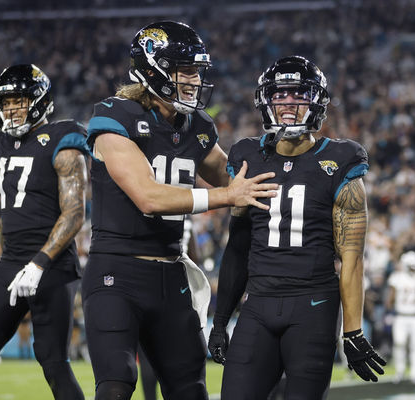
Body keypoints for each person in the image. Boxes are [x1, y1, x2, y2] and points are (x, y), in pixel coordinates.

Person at [82, 21, 277, 400]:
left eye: (196, 72)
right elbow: (149, 197)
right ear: (153, 69)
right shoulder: (114, 118)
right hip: (117, 273)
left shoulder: (195, 127)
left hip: (172, 276)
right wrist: (227, 196)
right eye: (184, 70)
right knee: (117, 384)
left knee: (191, 389)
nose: (193, 80)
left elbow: (234, 178)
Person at [207, 55, 385, 400]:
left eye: (298, 95)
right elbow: (238, 246)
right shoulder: (247, 155)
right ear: (266, 100)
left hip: (313, 305)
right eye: (280, 95)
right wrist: (220, 320)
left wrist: (353, 332)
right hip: (258, 303)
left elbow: (352, 258)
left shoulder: (340, 161)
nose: (288, 103)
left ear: (315, 101)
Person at [0, 64, 88, 400]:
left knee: (53, 362)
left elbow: (74, 213)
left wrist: (40, 262)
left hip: (52, 264)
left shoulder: (63, 137)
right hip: (11, 261)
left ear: (39, 100)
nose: (11, 109)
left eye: (19, 100)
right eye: (6, 102)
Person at [385, 251, 415, 384]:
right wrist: (388, 307)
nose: (413, 269)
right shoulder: (397, 277)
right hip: (401, 316)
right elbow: (390, 298)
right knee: (399, 343)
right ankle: (400, 371)